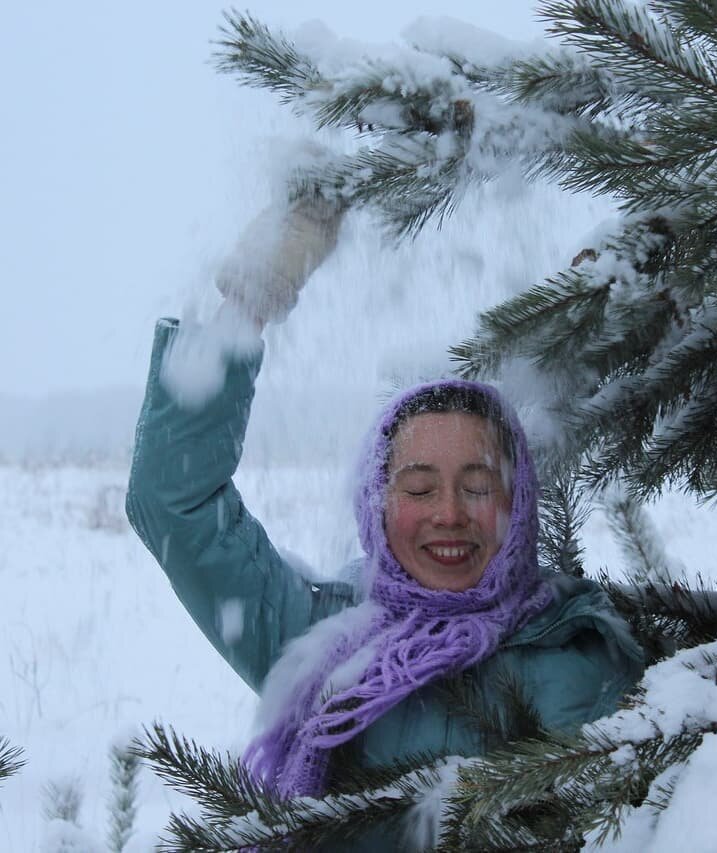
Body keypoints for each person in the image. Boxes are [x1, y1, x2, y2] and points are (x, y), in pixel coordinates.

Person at [125, 185, 644, 848]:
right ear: (377, 503)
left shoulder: (579, 653)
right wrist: (250, 300)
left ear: (516, 505)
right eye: (419, 488)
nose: (449, 514)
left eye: (478, 485)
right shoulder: (318, 633)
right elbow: (173, 501)